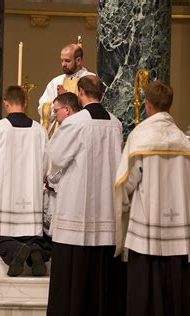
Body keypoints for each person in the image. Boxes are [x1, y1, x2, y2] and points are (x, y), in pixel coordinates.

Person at [114, 80, 190, 316]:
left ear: (148, 104)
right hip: (177, 229)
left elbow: (127, 182)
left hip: (146, 229)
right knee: (174, 293)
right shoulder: (183, 140)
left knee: (145, 295)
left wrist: (122, 210)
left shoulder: (140, 137)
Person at [46, 75, 125, 316]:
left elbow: (57, 157)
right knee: (100, 276)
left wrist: (51, 177)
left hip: (76, 206)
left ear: (80, 92)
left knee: (73, 276)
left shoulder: (75, 122)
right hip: (105, 208)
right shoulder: (116, 123)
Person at [0, 86, 51, 277]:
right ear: (26, 103)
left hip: (2, 196)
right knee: (33, 237)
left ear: (5, 103)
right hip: (30, 199)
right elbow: (46, 167)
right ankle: (35, 252)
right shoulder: (40, 131)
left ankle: (15, 251)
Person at [43, 92, 81, 239]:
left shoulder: (70, 127)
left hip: (66, 189)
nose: (54, 114)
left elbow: (59, 160)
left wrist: (50, 180)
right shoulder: (78, 125)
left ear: (67, 109)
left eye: (56, 110)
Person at [38, 43, 94, 137]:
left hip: (82, 132)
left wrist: (67, 98)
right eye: (62, 60)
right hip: (59, 133)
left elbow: (92, 106)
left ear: (78, 60)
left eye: (67, 61)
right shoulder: (56, 82)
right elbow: (43, 107)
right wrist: (59, 105)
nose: (63, 64)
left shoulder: (90, 79)